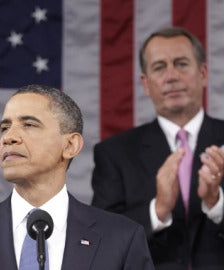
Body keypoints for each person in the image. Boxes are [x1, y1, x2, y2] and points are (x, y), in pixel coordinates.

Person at [0, 84, 154, 270]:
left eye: (29, 125)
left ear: (70, 145)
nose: (9, 137)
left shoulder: (122, 239)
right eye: (5, 127)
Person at [91, 26, 224, 269]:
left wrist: (216, 203)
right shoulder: (114, 153)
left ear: (203, 73)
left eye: (181, 63)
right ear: (146, 84)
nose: (171, 76)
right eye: (159, 67)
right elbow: (101, 239)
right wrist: (158, 209)